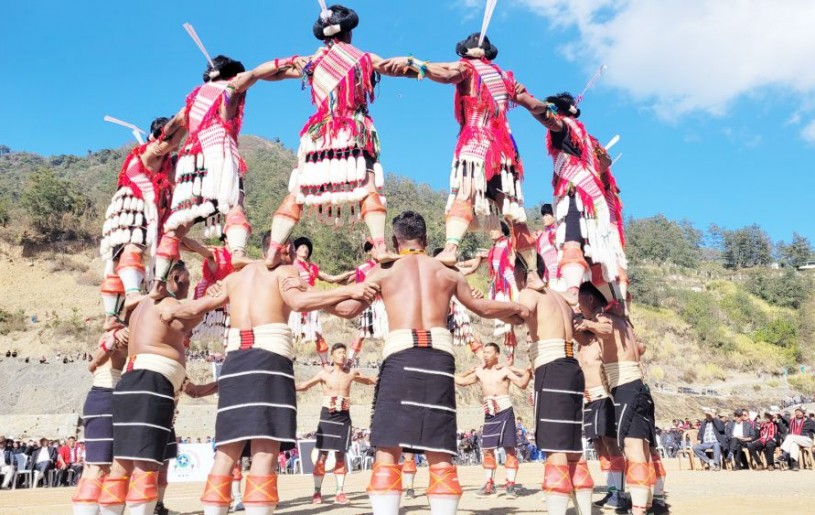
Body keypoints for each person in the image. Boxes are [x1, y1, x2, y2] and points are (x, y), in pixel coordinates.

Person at [323, 211, 527, 515]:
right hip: (439, 358)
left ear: (395, 240)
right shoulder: (448, 272)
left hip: (401, 354)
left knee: (388, 448)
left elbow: (349, 309)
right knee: (439, 446)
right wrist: (518, 307)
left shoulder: (384, 272)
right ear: (427, 239)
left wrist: (309, 298)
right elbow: (482, 307)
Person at [160, 231, 377, 515]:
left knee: (227, 450)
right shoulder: (286, 272)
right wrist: (358, 289)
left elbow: (194, 307)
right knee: (265, 448)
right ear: (286, 249)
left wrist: (165, 308)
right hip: (269, 359)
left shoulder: (235, 278)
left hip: (235, 361)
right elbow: (316, 305)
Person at [264, 4, 418, 267]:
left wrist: (286, 62)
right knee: (368, 187)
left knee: (297, 193)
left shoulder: (311, 62)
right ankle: (380, 247)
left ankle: (272, 253)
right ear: (348, 33)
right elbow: (392, 68)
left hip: (318, 135)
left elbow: (265, 74)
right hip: (353, 131)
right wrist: (418, 66)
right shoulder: (363, 57)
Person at [392, 34, 548, 293]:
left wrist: (418, 63)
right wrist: (553, 113)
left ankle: (451, 249)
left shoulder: (466, 68)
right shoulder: (506, 78)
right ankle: (532, 273)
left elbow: (446, 75)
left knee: (464, 197)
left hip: (476, 144)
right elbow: (534, 105)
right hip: (503, 151)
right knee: (515, 216)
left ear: (467, 52)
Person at [153, 53, 300, 296]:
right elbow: (254, 74)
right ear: (231, 74)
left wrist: (158, 140)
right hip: (218, 152)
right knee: (234, 206)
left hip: (190, 160)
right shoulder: (229, 87)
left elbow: (169, 128)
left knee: (179, 224)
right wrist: (292, 61)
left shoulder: (192, 101)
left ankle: (158, 284)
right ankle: (239, 254)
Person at [97, 262, 195, 515]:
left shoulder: (139, 306)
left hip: (132, 383)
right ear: (174, 276)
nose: (189, 285)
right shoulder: (167, 304)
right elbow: (194, 314)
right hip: (151, 385)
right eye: (187, 279)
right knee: (146, 465)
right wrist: (218, 295)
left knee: (121, 465)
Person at [503, 258, 592, 515]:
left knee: (556, 449)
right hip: (571, 368)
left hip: (552, 368)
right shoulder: (560, 298)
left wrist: (486, 307)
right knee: (574, 447)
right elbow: (584, 338)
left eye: (514, 273)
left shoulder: (529, 292)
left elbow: (522, 313)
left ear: (524, 272)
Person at [576, 282, 666, 515]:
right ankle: (647, 504)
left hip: (627, 387)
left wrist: (587, 323)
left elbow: (605, 330)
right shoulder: (624, 321)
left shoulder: (605, 319)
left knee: (632, 447)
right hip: (634, 387)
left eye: (580, 301)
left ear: (591, 301)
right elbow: (639, 347)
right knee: (644, 449)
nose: (578, 306)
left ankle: (639, 508)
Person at [528, 93, 620, 305]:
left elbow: (547, 118)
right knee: (594, 253)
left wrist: (530, 104)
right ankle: (614, 303)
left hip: (576, 192)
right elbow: (604, 162)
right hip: (592, 197)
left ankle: (571, 292)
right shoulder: (586, 138)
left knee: (572, 241)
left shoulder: (565, 126)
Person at [99, 117, 187, 325]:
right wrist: (185, 118)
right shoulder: (147, 153)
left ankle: (111, 317)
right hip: (133, 203)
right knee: (132, 248)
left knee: (123, 259)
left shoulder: (165, 166)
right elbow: (171, 141)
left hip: (146, 212)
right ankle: (130, 295)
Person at [296, 343, 377, 505]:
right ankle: (317, 492)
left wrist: (387, 380)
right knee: (323, 455)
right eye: (339, 352)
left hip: (344, 417)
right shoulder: (324, 374)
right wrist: (282, 385)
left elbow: (369, 381)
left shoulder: (351, 373)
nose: (342, 355)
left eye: (344, 352)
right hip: (327, 416)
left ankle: (340, 492)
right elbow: (304, 386)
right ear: (332, 355)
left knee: (341, 454)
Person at [454, 342, 530, 499]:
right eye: (484, 352)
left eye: (489, 352)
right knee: (487, 449)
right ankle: (489, 484)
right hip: (489, 415)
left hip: (505, 412)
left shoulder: (505, 370)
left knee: (509, 449)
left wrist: (528, 370)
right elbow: (461, 381)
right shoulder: (479, 371)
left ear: (497, 355)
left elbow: (522, 384)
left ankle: (510, 486)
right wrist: (443, 371)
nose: (485, 354)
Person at [71, 329, 128, 514]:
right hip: (108, 398)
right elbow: (96, 362)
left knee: (93, 465)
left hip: (100, 398)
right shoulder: (119, 333)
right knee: (100, 466)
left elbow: (94, 364)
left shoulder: (112, 334)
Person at [574, 323, 625, 510]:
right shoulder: (579, 349)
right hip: (587, 402)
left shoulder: (599, 344)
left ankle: (620, 493)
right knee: (598, 446)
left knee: (611, 444)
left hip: (604, 398)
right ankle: (611, 490)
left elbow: (615, 365)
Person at [287, 237, 354, 365]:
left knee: (317, 333)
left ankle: (325, 365)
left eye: (307, 248)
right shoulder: (290, 265)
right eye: (301, 247)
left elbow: (331, 278)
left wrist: (349, 272)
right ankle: (284, 360)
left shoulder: (312, 268)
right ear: (295, 251)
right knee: (290, 332)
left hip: (311, 303)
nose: (305, 250)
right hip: (296, 303)